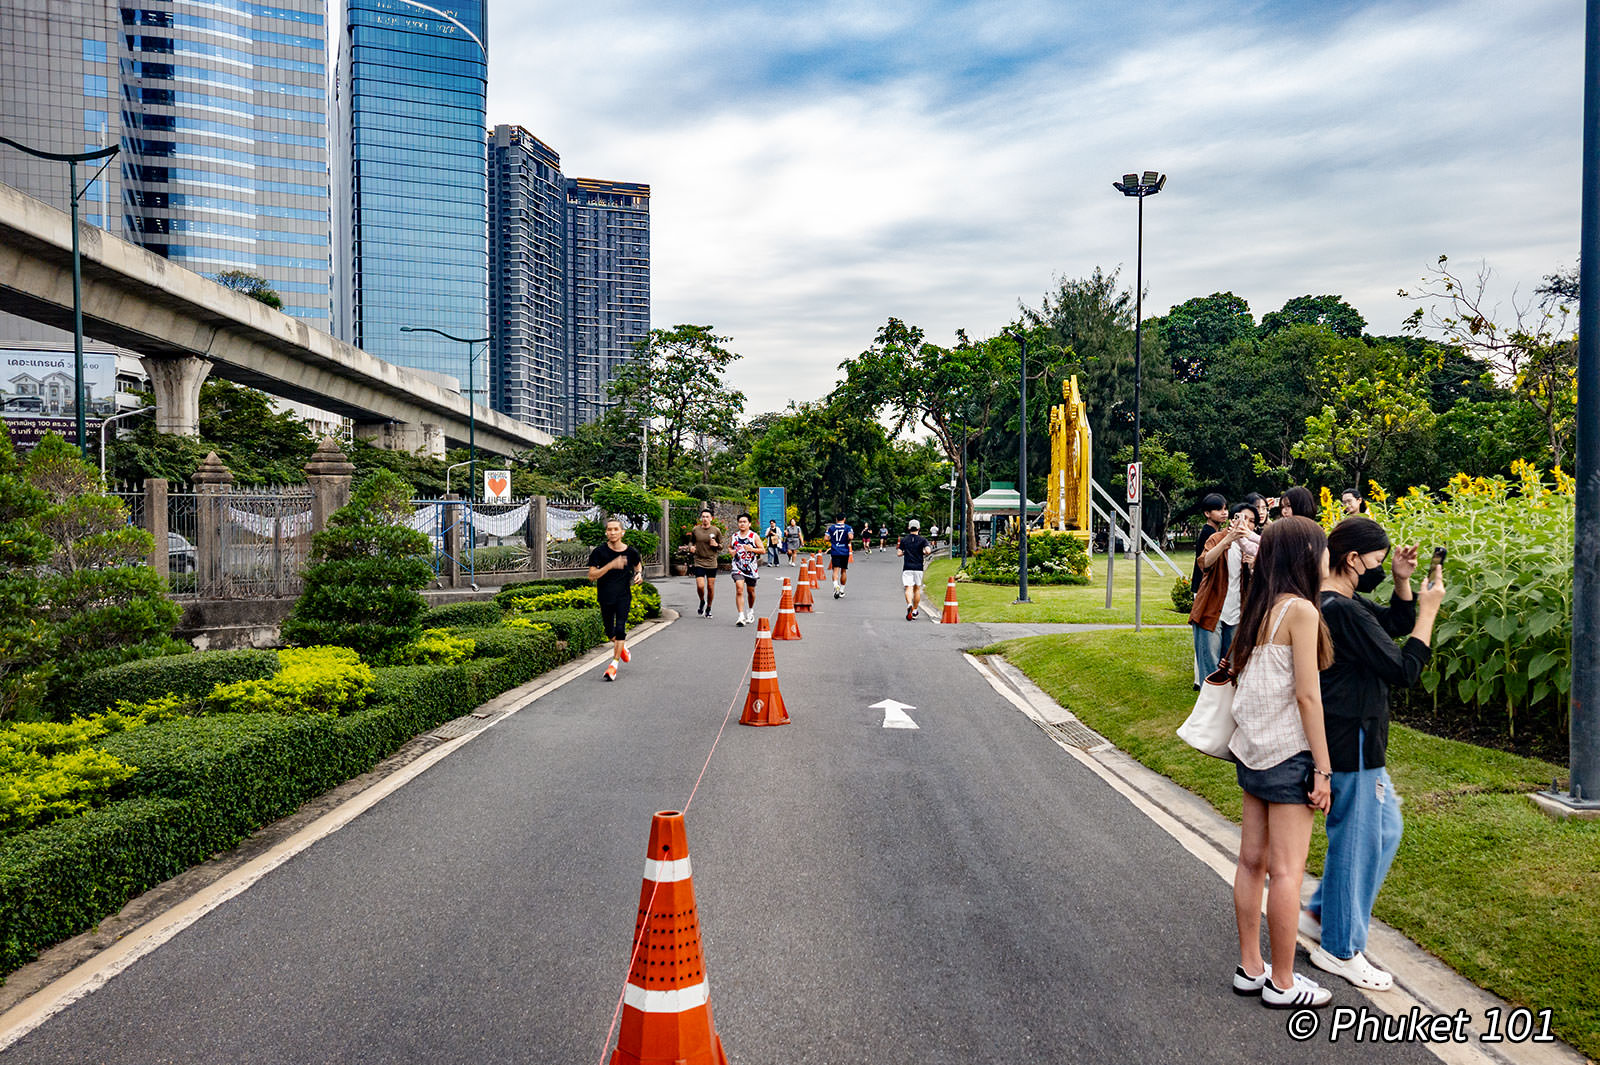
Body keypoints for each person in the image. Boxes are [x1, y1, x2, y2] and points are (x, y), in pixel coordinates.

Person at [1302, 517, 1445, 992]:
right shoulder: (1343, 611)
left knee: (1384, 829)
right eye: (1378, 562)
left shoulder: (1336, 601)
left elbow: (1392, 623)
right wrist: (1429, 612)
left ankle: (1322, 912)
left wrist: (1403, 583)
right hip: (1353, 738)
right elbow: (1404, 670)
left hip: (1352, 735)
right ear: (1352, 559)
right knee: (1357, 840)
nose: (1380, 569)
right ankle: (1340, 948)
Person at [1226, 516, 1336, 1009]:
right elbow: (1308, 698)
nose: (1327, 557)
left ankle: (1251, 968)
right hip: (1289, 754)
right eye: (1322, 548)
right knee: (1288, 872)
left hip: (1253, 752)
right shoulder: (1302, 611)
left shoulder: (1261, 607)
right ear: (1306, 555)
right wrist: (1324, 769)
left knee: (1252, 862)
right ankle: (1284, 982)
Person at [1189, 502, 1257, 673]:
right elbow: (1204, 562)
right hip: (1211, 612)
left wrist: (1252, 565)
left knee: (1230, 669)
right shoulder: (1216, 538)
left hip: (1236, 615)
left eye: (1252, 521)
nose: (1247, 524)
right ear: (1233, 520)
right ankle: (1207, 693)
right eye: (1243, 518)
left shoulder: (1251, 548)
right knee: (1210, 670)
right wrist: (1227, 539)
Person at [587, 517, 643, 681]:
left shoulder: (631, 552)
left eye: (615, 529)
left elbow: (638, 565)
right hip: (605, 596)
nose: (612, 532)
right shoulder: (599, 552)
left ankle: (613, 665)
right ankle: (622, 647)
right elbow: (591, 576)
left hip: (623, 596)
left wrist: (639, 574)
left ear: (622, 532)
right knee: (609, 632)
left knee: (620, 628)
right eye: (609, 529)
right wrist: (610, 565)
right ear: (606, 532)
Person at [1190, 493, 1229, 688]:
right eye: (1218, 509)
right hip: (1204, 589)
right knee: (1204, 639)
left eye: (1225, 509)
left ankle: (1200, 679)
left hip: (1205, 587)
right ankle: (1200, 680)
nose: (1224, 513)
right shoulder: (1208, 533)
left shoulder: (1215, 531)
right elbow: (1205, 562)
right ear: (1207, 513)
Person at [729, 512, 764, 627]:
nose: (742, 524)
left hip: (751, 569)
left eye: (744, 522)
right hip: (737, 567)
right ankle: (741, 616)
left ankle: (750, 610)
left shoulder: (753, 536)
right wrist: (731, 552)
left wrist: (751, 549)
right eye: (740, 522)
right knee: (739, 589)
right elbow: (730, 547)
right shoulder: (734, 536)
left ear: (749, 524)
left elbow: (762, 550)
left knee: (751, 592)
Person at [688, 508, 722, 619]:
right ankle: (702, 601)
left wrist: (716, 545)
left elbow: (721, 546)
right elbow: (691, 541)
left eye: (707, 517)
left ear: (711, 518)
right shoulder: (695, 530)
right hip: (699, 561)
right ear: (701, 518)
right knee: (700, 585)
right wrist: (691, 547)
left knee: (710, 587)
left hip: (711, 562)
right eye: (703, 517)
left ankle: (709, 607)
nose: (705, 519)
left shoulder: (716, 530)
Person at [897, 519, 931, 620]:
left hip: (907, 567)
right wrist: (923, 552)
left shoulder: (904, 540)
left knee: (908, 588)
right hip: (918, 567)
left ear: (909, 528)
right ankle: (915, 610)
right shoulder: (923, 540)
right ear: (918, 528)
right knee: (917, 589)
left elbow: (899, 553)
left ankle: (909, 605)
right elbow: (928, 550)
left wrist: (905, 552)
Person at [825, 512, 853, 597]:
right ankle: (842, 590)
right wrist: (848, 540)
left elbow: (826, 538)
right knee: (843, 571)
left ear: (836, 519)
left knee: (835, 570)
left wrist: (832, 539)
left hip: (835, 551)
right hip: (844, 551)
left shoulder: (831, 528)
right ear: (844, 519)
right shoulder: (848, 527)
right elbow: (851, 537)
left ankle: (835, 585)